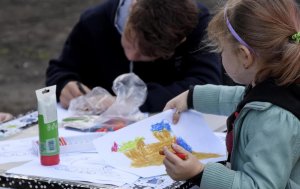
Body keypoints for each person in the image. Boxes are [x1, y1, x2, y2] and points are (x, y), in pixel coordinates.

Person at [162, 0, 300, 189]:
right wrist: (192, 96)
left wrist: (199, 172)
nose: (220, 57)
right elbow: (243, 99)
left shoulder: (274, 119)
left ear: (245, 56)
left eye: (221, 51)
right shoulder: (277, 82)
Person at [45, 0, 222, 113]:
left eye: (148, 54)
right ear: (132, 7)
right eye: (129, 39)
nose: (130, 55)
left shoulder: (195, 25)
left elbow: (206, 85)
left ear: (180, 42)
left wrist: (131, 102)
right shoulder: (94, 21)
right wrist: (64, 84)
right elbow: (59, 70)